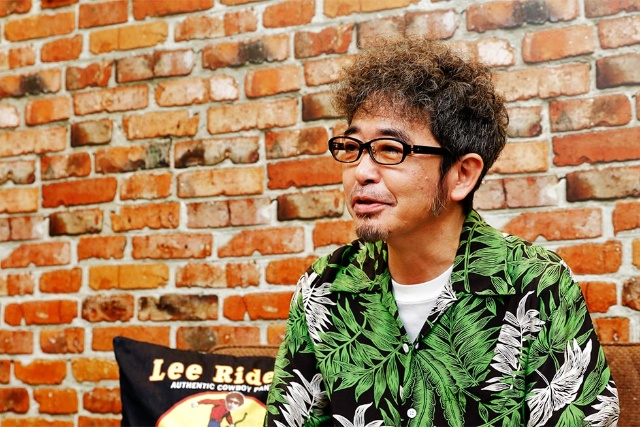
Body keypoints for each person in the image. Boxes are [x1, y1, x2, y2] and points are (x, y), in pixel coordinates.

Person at [264, 37, 619, 427]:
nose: (361, 172)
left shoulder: (535, 284)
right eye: (353, 147)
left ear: (462, 174)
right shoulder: (325, 287)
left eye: (389, 149)